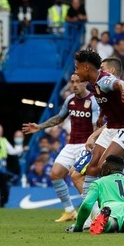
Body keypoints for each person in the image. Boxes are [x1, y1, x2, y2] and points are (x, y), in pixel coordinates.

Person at [22, 73, 99, 222]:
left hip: (86, 145)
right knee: (55, 174)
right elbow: (59, 117)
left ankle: (95, 212)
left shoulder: (93, 101)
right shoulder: (70, 100)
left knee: (76, 176)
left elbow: (96, 126)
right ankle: (70, 211)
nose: (74, 85)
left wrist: (94, 144)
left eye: (78, 82)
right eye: (72, 82)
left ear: (85, 83)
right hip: (71, 145)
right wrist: (40, 126)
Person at [75, 51, 124, 207]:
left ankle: (121, 203)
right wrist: (101, 115)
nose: (76, 72)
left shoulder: (104, 80)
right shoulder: (93, 85)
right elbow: (106, 100)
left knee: (103, 165)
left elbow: (119, 83)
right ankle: (90, 215)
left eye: (77, 68)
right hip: (112, 126)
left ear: (86, 67)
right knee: (92, 167)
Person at [69, 155, 124, 234]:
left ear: (107, 169)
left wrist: (78, 227)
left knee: (110, 222)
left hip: (111, 208)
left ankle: (105, 219)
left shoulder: (98, 183)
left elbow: (86, 205)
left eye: (102, 166)